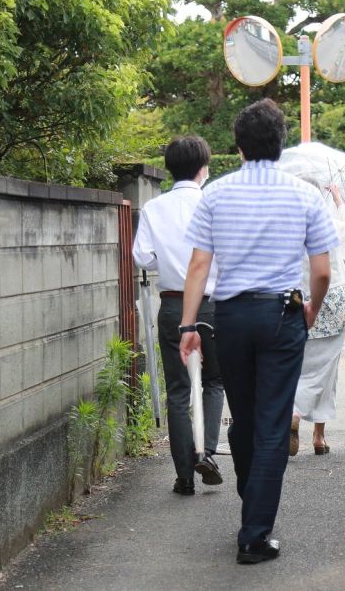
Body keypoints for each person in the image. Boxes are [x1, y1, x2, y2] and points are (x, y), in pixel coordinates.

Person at [178, 99, 338, 564]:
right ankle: (254, 534)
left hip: (230, 317)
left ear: (239, 146)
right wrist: (311, 310)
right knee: (271, 424)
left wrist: (189, 325)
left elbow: (199, 264)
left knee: (245, 419)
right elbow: (323, 271)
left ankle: (252, 511)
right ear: (281, 142)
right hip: (282, 314)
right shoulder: (305, 195)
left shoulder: (216, 194)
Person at [132, 135, 224, 497]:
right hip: (213, 303)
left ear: (169, 168)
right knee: (214, 381)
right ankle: (208, 453)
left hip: (172, 303)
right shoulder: (214, 203)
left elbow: (141, 257)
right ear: (204, 168)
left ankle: (184, 475)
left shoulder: (155, 208)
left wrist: (167, 264)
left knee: (178, 390)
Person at [291, 181, 345, 456]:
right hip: (334, 298)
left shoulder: (288, 228)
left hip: (300, 301)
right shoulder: (330, 222)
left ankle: (295, 412)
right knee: (326, 369)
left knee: (300, 367)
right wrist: (338, 197)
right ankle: (313, 430)